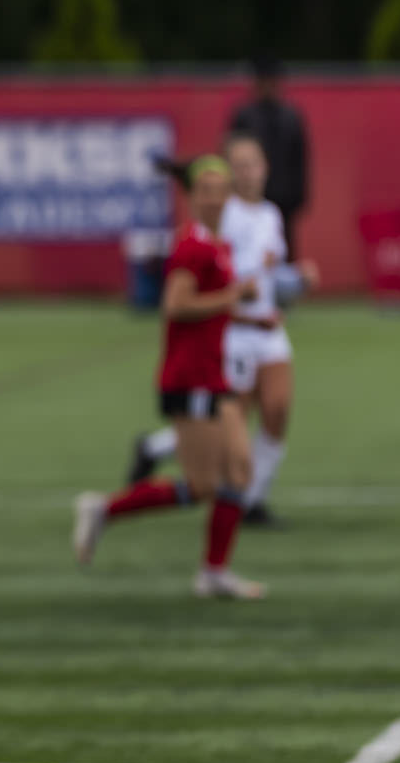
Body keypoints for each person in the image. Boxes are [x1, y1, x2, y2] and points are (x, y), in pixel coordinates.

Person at [73, 156, 263, 599]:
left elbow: (213, 307)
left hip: (213, 376)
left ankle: (214, 573)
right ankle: (104, 509)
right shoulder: (192, 246)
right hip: (189, 378)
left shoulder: (219, 245)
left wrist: (254, 321)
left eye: (221, 190)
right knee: (203, 486)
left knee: (240, 471)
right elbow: (176, 305)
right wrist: (234, 295)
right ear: (192, 197)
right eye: (206, 191)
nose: (215, 198)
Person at [125, 134, 318, 526]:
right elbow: (216, 277)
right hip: (231, 330)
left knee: (278, 409)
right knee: (230, 424)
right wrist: (241, 299)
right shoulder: (220, 215)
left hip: (268, 327)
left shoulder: (271, 215)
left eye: (254, 163)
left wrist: (297, 279)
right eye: (240, 165)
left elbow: (268, 278)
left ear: (265, 168)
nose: (249, 172)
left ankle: (253, 500)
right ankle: (159, 447)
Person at [228, 57, 310, 258]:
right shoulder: (244, 115)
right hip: (250, 194)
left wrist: (299, 195)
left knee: (283, 248)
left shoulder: (291, 116)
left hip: (284, 197)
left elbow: (300, 159)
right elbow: (230, 153)